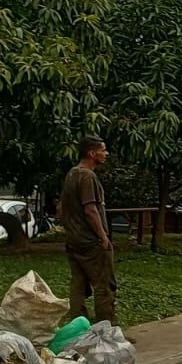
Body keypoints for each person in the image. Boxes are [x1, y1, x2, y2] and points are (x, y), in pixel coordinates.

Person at [61, 135, 118, 326]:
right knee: (104, 286)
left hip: (74, 240)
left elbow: (62, 208)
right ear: (92, 153)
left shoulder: (72, 174)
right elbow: (91, 209)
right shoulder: (87, 176)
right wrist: (103, 237)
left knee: (78, 285)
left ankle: (78, 327)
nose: (106, 154)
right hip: (90, 242)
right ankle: (106, 330)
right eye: (103, 150)